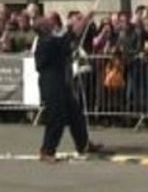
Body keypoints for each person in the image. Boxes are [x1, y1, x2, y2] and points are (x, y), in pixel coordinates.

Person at [34, 13, 103, 163]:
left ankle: (83, 144)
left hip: (60, 83)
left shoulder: (52, 40)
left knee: (75, 114)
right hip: (51, 84)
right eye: (46, 21)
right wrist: (85, 19)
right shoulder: (47, 42)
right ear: (43, 28)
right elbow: (70, 35)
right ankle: (47, 150)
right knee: (56, 117)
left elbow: (68, 41)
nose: (50, 22)